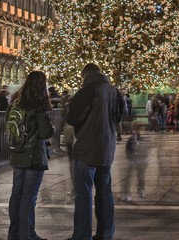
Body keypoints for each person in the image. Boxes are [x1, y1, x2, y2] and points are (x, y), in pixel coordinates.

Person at [67, 63, 125, 240]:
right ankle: (106, 233)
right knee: (105, 192)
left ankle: (82, 235)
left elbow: (72, 118)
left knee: (83, 194)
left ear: (85, 75)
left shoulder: (87, 90)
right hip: (107, 148)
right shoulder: (115, 92)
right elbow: (119, 117)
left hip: (86, 149)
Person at [7, 71, 55, 240]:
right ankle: (27, 235)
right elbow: (45, 132)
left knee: (16, 196)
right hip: (34, 156)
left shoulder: (15, 103)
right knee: (29, 198)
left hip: (18, 154)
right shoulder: (39, 105)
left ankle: (14, 234)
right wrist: (52, 127)